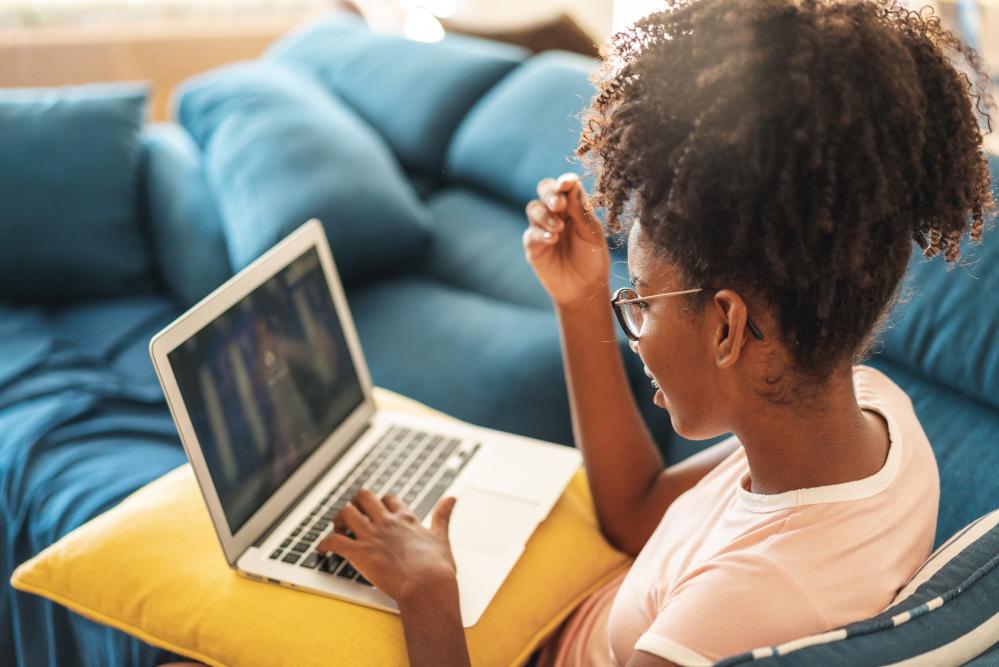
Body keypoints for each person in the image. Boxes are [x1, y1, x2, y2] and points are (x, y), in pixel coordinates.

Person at [161, 0, 995, 665]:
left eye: (642, 302)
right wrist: (580, 297)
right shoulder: (869, 416)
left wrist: (428, 595)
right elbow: (633, 514)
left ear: (729, 324)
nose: (631, 329)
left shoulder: (724, 621)